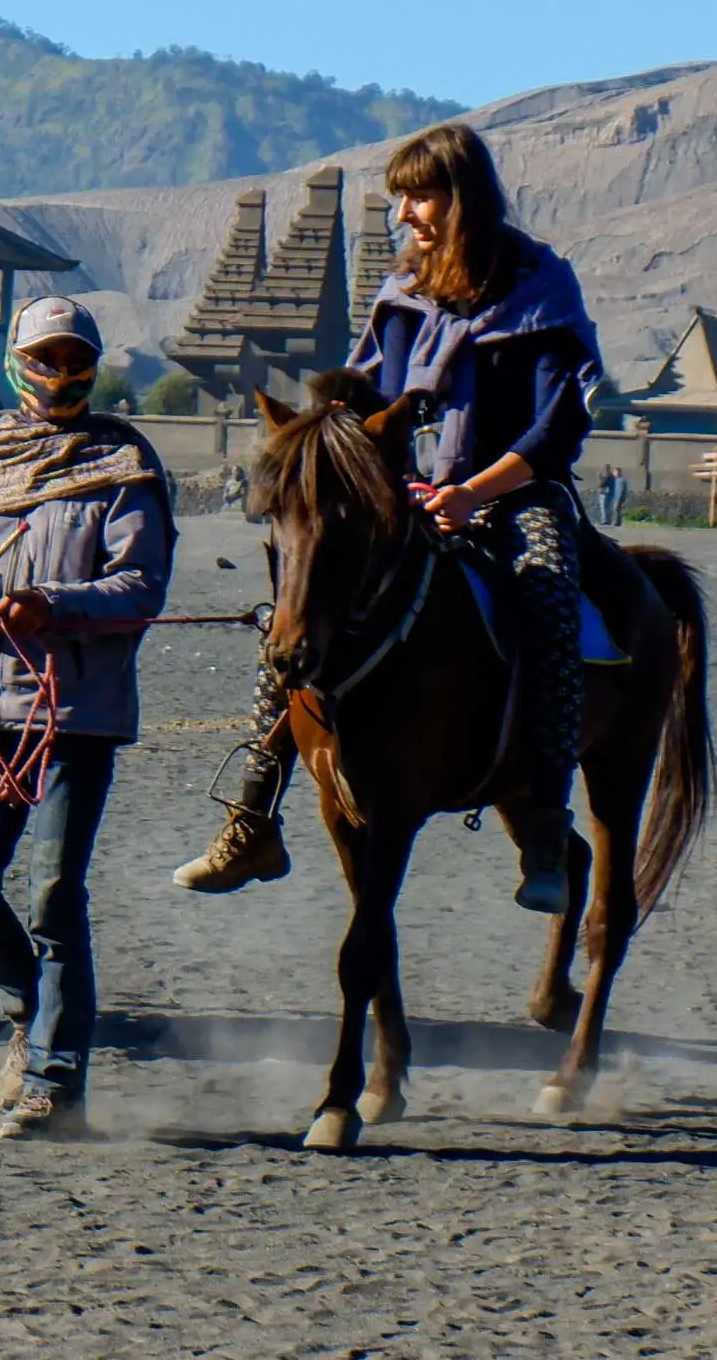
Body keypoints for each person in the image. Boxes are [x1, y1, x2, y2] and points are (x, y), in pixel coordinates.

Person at [175, 122, 602, 914]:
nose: (406, 213)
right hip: (405, 496)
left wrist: (478, 491)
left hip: (514, 496)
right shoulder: (402, 293)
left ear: (462, 197)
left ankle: (544, 818)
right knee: (298, 616)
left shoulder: (541, 285)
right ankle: (253, 814)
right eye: (400, 198)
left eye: (420, 196)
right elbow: (364, 399)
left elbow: (557, 425)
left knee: (547, 599)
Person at [0, 296, 174, 1140]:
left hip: (79, 716)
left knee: (55, 894)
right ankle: (29, 1010)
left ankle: (58, 1079)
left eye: (74, 357)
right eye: (45, 356)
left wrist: (49, 603)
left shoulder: (125, 462)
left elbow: (142, 586)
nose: (60, 372)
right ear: (18, 360)